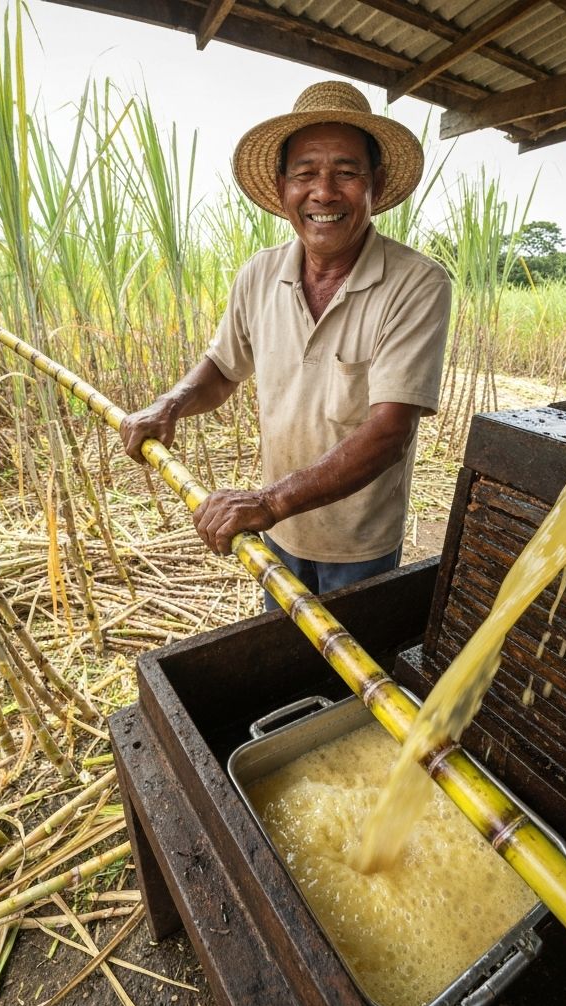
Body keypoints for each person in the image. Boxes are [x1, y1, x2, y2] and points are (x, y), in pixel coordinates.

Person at [120, 81, 451, 610]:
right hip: (279, 533)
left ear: (377, 183)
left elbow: (390, 431)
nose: (324, 192)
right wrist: (170, 404)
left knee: (351, 656)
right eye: (305, 173)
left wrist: (269, 500)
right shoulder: (259, 274)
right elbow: (222, 369)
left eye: (347, 172)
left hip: (358, 542)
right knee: (283, 649)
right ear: (282, 188)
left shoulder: (416, 283)